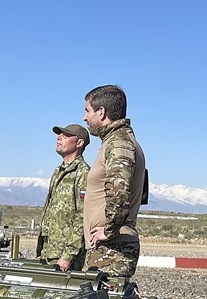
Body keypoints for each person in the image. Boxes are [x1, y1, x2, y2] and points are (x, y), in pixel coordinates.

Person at [82, 84, 146, 279]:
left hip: (112, 250)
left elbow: (119, 191)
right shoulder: (114, 142)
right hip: (107, 248)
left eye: (87, 111)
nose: (85, 117)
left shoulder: (119, 143)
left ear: (101, 112)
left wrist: (109, 231)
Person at [35, 123, 90, 271]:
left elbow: (82, 217)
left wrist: (67, 256)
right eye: (59, 135)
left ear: (79, 142)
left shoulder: (83, 173)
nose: (59, 138)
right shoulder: (58, 171)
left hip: (65, 258)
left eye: (66, 135)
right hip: (48, 252)